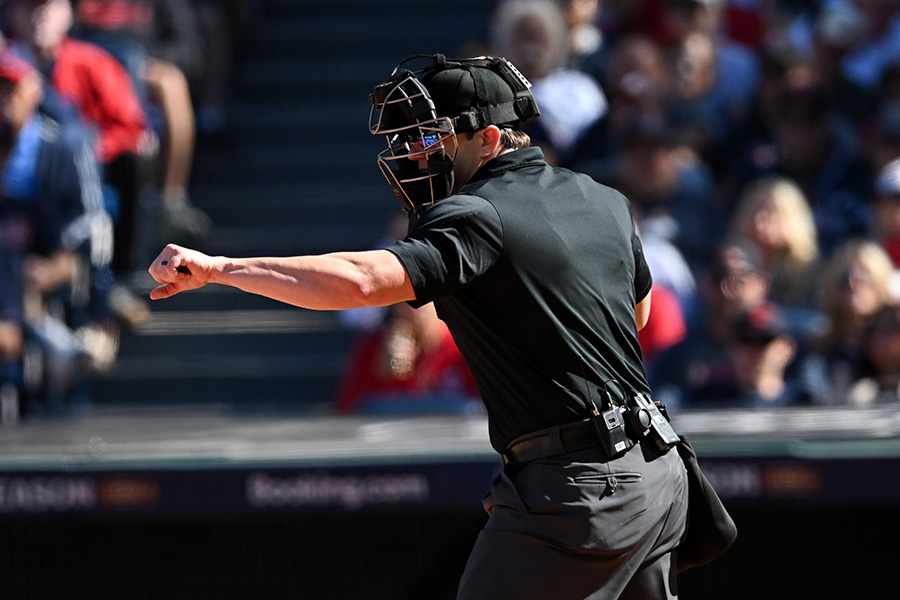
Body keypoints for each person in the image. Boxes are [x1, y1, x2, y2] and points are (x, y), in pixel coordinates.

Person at [149, 54, 690, 599]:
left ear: (490, 140)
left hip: (579, 488)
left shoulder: (478, 211)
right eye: (408, 142)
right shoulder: (604, 199)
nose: (414, 156)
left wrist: (222, 270)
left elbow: (361, 281)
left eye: (430, 139)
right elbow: (636, 316)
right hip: (658, 471)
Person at [334, 301, 481, 416]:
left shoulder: (465, 347)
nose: (415, 308)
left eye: (424, 300)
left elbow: (485, 410)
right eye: (406, 301)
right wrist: (387, 376)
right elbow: (348, 411)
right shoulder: (372, 350)